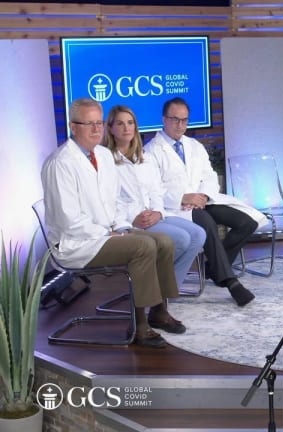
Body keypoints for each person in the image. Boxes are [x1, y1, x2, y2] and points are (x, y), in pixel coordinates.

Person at [41, 97, 185, 348]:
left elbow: (114, 202)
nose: (96, 129)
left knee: (163, 241)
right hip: (76, 243)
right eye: (89, 124)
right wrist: (107, 233)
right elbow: (68, 220)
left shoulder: (103, 155)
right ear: (73, 127)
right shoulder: (60, 163)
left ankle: (159, 311)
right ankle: (140, 327)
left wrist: (121, 227)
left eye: (99, 123)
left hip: (107, 232)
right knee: (142, 246)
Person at [144, 97, 265, 307]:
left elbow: (209, 176)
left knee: (247, 222)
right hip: (175, 207)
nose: (180, 125)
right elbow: (152, 188)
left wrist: (204, 196)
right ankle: (230, 281)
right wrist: (183, 197)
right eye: (175, 119)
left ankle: (214, 268)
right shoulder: (151, 150)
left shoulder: (194, 146)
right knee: (206, 223)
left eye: (184, 120)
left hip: (202, 201)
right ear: (164, 119)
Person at [103, 105, 206, 292]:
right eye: (120, 123)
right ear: (110, 128)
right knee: (182, 239)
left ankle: (166, 291)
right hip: (130, 221)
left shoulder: (145, 157)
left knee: (198, 234)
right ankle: (157, 290)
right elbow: (108, 201)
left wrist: (158, 212)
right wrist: (132, 219)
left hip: (154, 214)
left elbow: (156, 191)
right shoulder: (105, 161)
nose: (126, 128)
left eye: (130, 123)